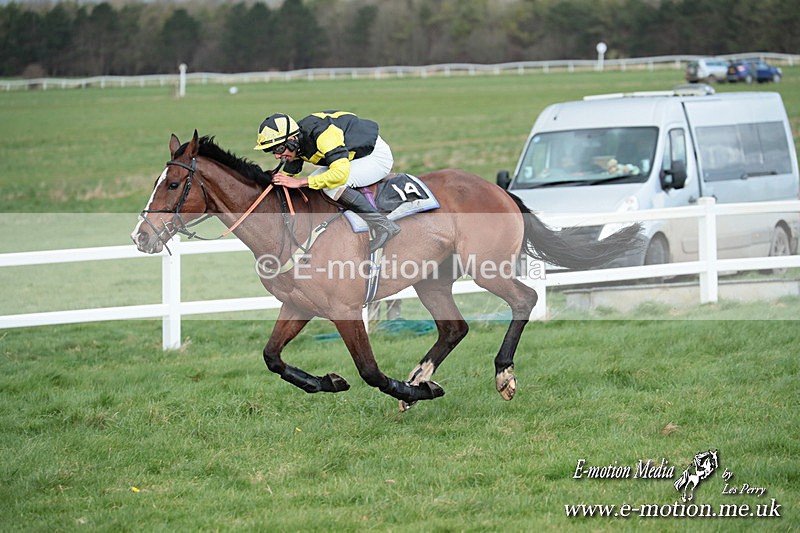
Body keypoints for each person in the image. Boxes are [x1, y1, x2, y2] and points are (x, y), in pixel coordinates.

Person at [254, 111, 400, 253]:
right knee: (316, 183)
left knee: (331, 186)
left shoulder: (324, 135)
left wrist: (301, 182)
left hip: (374, 157)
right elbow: (288, 174)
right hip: (351, 157)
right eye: (273, 151)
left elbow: (339, 175)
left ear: (292, 140)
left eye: (279, 149)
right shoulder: (297, 141)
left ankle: (383, 226)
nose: (277, 156)